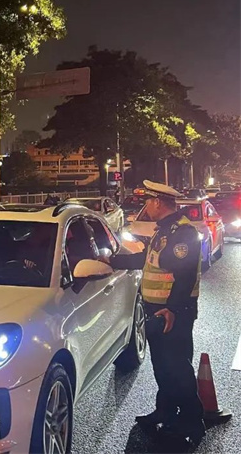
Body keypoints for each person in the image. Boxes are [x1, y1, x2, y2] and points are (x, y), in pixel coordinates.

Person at [103, 180, 205, 446]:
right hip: (157, 310)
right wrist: (111, 260)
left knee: (178, 367)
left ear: (158, 202)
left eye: (148, 201)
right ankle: (165, 412)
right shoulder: (164, 230)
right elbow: (145, 261)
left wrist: (172, 309)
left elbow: (184, 275)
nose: (146, 206)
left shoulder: (183, 232)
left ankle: (192, 422)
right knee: (162, 366)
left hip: (173, 312)